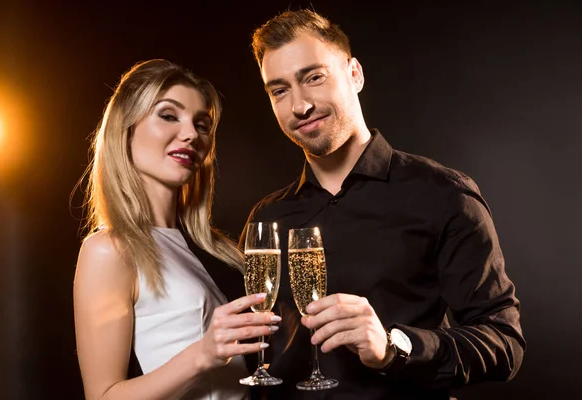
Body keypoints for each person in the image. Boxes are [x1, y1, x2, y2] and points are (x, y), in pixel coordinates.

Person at [241, 9, 525, 399]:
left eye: (314, 78)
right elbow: (252, 353)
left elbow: (504, 345)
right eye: (279, 90)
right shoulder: (267, 219)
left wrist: (394, 348)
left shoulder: (443, 194)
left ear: (354, 74)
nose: (299, 106)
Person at [73, 59, 280, 400]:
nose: (191, 135)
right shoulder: (108, 250)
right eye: (169, 115)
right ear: (125, 129)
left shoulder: (215, 249)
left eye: (202, 125)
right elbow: (103, 396)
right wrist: (203, 353)